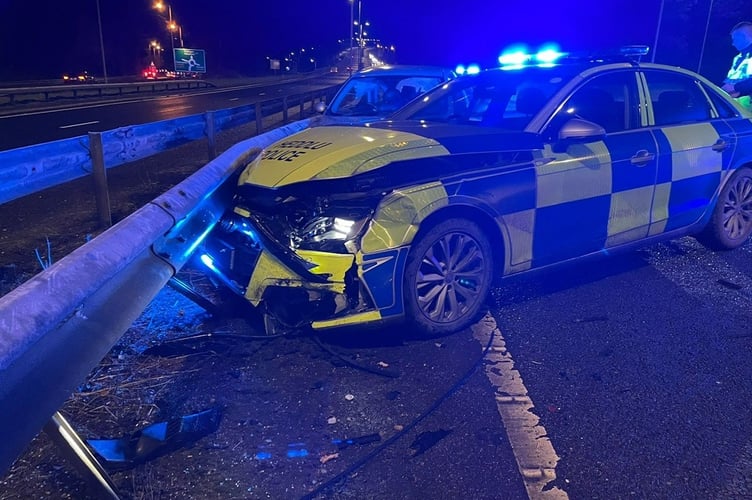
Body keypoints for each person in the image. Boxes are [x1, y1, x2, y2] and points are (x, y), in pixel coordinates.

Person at [722, 21, 752, 109]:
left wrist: (736, 88)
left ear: (744, 37)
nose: (733, 44)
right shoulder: (738, 58)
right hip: (738, 111)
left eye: (735, 39)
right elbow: (729, 81)